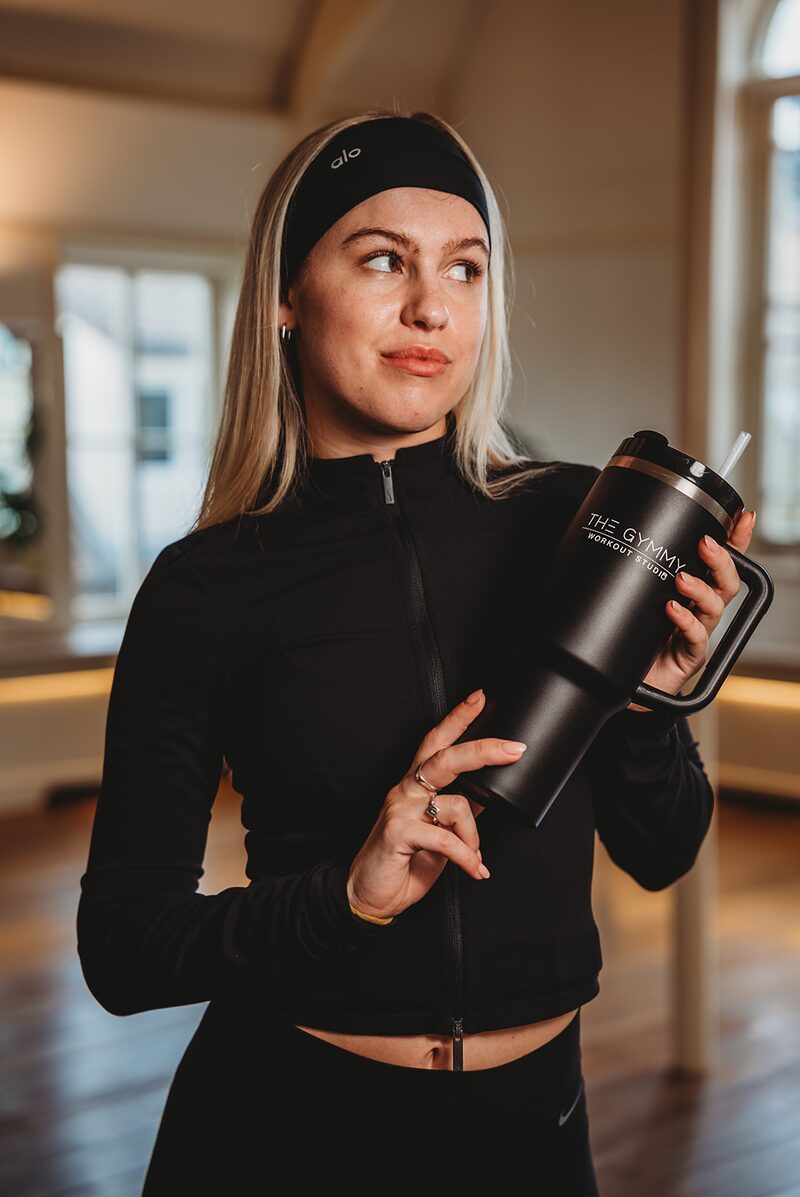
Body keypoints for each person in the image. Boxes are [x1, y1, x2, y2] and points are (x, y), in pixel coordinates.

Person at [76, 108, 755, 1195]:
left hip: (534, 1135)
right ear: (288, 296)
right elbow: (124, 946)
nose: (431, 305)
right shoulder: (205, 584)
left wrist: (643, 710)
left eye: (464, 268)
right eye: (383, 259)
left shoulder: (576, 521)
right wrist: (347, 897)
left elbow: (663, 851)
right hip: (284, 1135)